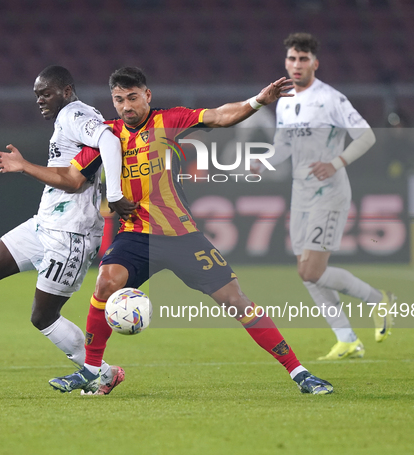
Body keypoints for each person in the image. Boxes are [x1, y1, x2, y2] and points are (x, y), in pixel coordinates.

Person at [48, 66, 334, 395]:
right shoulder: (106, 135)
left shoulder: (168, 121)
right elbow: (71, 177)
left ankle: (299, 372)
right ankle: (91, 369)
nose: (127, 106)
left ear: (147, 96)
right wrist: (25, 166)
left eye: (132, 97)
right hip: (137, 234)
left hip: (182, 236)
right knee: (106, 282)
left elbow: (220, 116)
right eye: (118, 99)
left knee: (235, 300)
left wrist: (258, 101)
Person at [0, 66, 133, 390]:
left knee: (43, 317)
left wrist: (113, 194)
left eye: (46, 93)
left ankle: (104, 372)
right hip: (45, 224)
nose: (40, 100)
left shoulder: (75, 114)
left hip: (71, 234)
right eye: (36, 95)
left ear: (67, 91)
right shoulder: (66, 119)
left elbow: (109, 142)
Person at [266, 33, 395, 360]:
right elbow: (283, 148)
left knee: (311, 270)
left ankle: (378, 300)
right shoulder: (283, 101)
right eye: (292, 59)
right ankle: (347, 339)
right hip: (301, 194)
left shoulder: (331, 99)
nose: (297, 65)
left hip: (329, 193)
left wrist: (336, 162)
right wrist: (260, 161)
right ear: (286, 62)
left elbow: (366, 136)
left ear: (315, 63)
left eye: (303, 59)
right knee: (304, 270)